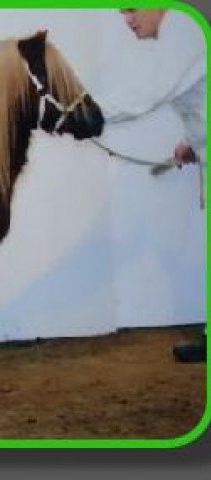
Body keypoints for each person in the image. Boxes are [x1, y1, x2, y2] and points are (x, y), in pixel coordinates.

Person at [99, 9, 206, 363]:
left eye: (132, 7)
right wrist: (194, 142)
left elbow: (146, 93)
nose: (127, 19)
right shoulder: (180, 33)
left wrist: (81, 110)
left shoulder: (185, 26)